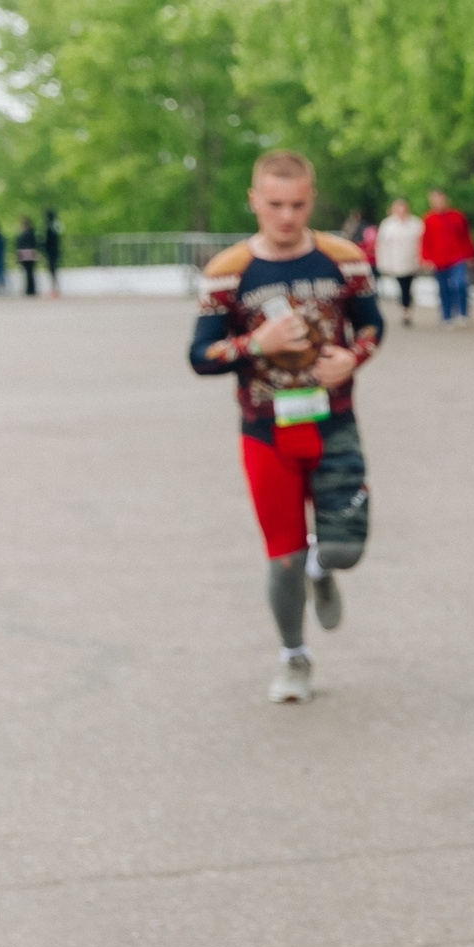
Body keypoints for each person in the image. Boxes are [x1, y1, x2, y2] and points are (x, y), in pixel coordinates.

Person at [187, 152, 381, 705]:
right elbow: (200, 355)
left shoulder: (344, 260)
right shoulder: (228, 271)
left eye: (297, 204)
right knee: (283, 556)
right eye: (275, 204)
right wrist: (256, 343)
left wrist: (353, 358)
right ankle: (294, 657)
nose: (287, 216)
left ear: (311, 200)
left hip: (334, 423)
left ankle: (324, 568)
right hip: (266, 431)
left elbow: (372, 326)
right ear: (254, 201)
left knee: (344, 550)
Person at [421, 189, 474, 326]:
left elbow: (466, 237)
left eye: (440, 200)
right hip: (439, 259)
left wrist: (470, 255)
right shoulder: (429, 219)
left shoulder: (457, 216)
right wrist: (425, 258)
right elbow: (425, 241)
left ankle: (462, 313)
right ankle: (446, 315)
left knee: (460, 284)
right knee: (443, 288)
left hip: (458, 257)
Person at [376, 196, 426, 327]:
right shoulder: (388, 225)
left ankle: (407, 307)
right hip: (396, 261)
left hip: (412, 261)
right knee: (402, 286)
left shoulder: (415, 223)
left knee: (409, 286)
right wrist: (382, 262)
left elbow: (422, 242)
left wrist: (423, 259)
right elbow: (382, 245)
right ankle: (405, 309)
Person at [13, 217, 38, 296]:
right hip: (29, 254)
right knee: (29, 272)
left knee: (29, 272)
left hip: (26, 254)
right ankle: (30, 289)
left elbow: (21, 245)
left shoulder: (26, 234)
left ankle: (30, 289)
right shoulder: (31, 233)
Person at [41, 208, 62, 297]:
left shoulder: (49, 228)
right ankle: (54, 289)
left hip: (51, 252)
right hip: (54, 251)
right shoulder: (55, 227)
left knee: (52, 270)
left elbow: (47, 242)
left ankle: (54, 290)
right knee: (53, 271)